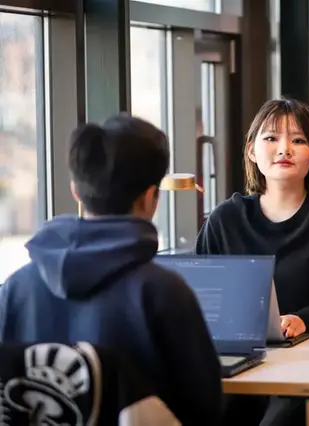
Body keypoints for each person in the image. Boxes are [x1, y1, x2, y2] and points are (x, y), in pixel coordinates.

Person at [0, 115, 223, 425]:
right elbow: (205, 409)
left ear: (76, 191)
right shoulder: (163, 292)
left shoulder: (14, 288)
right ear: (151, 197)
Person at [195, 98, 309, 426]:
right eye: (271, 138)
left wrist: (305, 320)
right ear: (251, 151)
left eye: (298, 140)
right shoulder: (225, 220)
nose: (284, 148)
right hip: (240, 372)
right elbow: (203, 307)